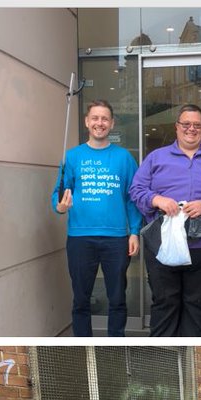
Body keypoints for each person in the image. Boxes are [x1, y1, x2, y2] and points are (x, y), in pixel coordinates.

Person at [130, 104, 201, 336]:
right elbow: (136, 190)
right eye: (186, 124)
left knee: (199, 305)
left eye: (197, 125)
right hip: (162, 246)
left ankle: (193, 352)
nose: (192, 129)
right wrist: (156, 199)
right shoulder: (155, 158)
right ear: (177, 127)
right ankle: (163, 356)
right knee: (164, 303)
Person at [52, 99, 141, 337]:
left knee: (117, 298)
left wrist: (134, 231)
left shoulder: (124, 158)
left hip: (116, 239)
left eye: (104, 119)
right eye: (95, 118)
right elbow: (57, 196)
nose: (99, 123)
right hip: (80, 238)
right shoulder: (72, 157)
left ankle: (116, 344)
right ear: (86, 122)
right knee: (81, 300)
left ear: (111, 124)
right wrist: (60, 207)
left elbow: (132, 199)